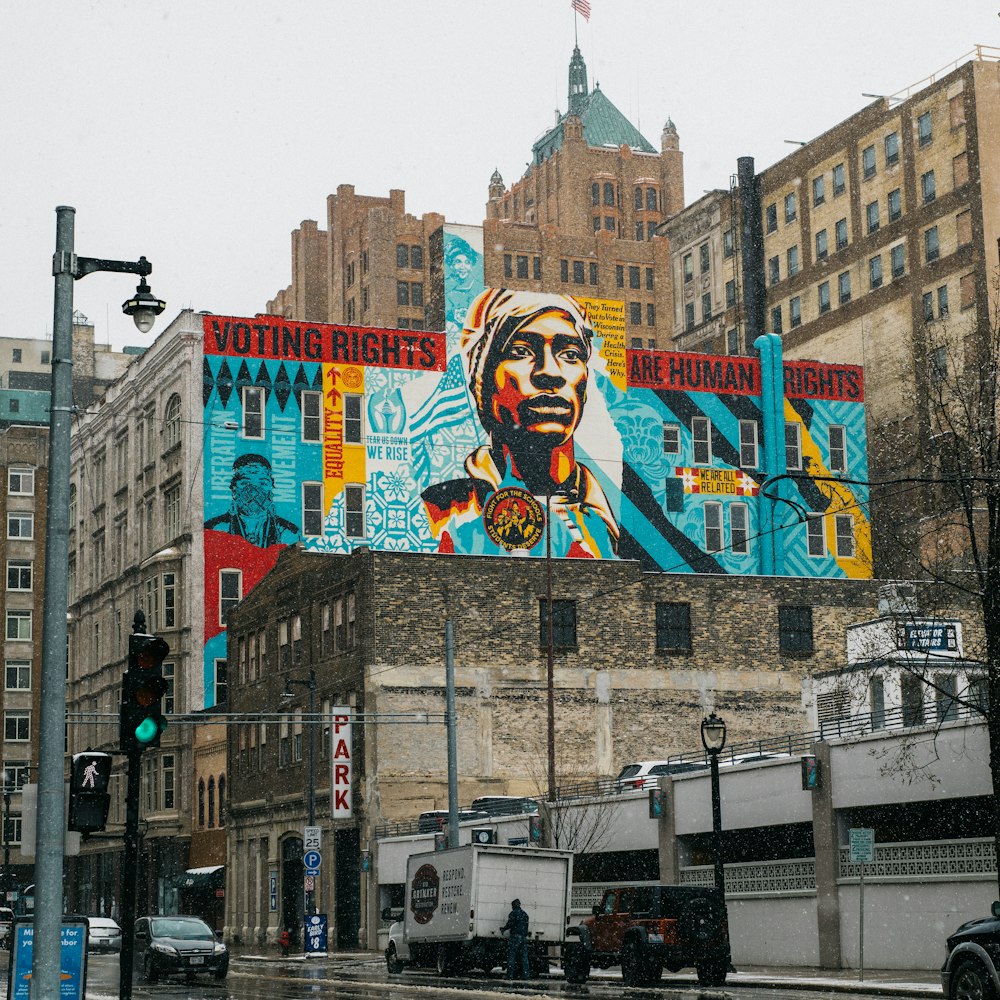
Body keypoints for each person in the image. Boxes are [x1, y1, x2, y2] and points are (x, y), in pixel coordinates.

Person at [422, 289, 619, 558]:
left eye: (570, 354)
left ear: (584, 381)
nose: (550, 372)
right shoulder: (441, 509)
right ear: (482, 378)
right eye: (521, 351)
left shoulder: (616, 521)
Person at [205, 453, 300, 546]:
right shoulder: (214, 528)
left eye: (263, 483)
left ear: (271, 490)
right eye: (246, 483)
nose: (254, 492)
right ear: (234, 490)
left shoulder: (288, 531)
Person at [500, 898, 530, 980]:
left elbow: (510, 924)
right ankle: (526, 975)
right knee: (524, 957)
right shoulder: (525, 914)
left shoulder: (513, 913)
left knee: (511, 956)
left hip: (515, 936)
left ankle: (509, 975)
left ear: (514, 905)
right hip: (523, 937)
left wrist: (504, 929)